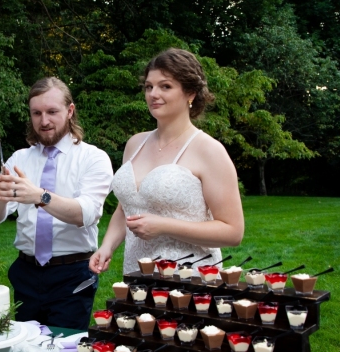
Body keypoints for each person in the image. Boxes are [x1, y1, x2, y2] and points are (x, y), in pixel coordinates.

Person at [89, 48, 244, 277]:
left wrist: (163, 226)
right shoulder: (135, 144)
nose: (153, 94)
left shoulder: (209, 151)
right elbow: (126, 208)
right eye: (149, 87)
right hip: (137, 274)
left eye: (165, 86)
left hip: (190, 280)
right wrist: (107, 246)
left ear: (190, 93)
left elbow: (233, 232)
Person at [0, 77, 113, 330]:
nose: (44, 121)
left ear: (70, 111)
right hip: (26, 273)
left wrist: (40, 196)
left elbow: (86, 213)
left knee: (65, 350)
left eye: (52, 112)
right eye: (36, 113)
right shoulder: (20, 158)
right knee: (26, 347)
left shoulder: (93, 158)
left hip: (72, 274)